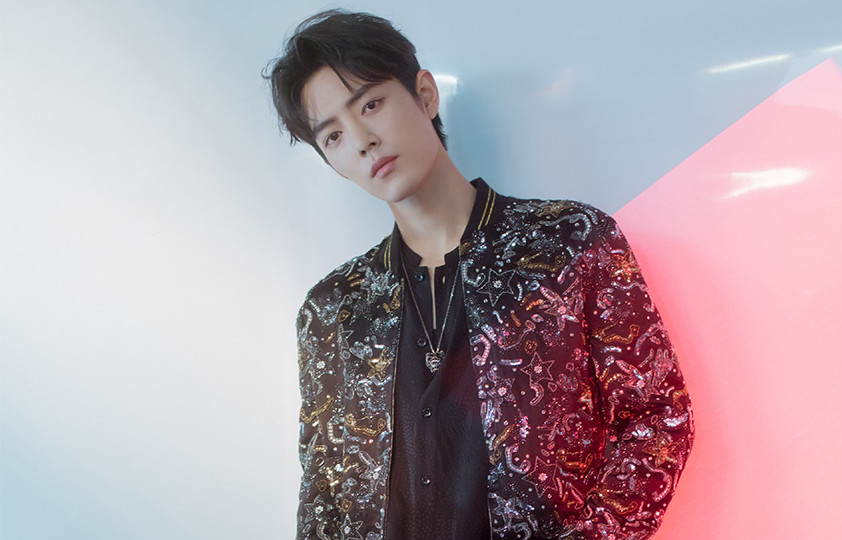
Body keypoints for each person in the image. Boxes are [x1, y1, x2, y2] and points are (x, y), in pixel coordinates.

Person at [265, 9, 694, 540]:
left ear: (424, 94)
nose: (361, 139)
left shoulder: (568, 243)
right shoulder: (331, 311)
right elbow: (323, 500)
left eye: (370, 104)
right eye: (332, 136)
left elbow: (658, 416)